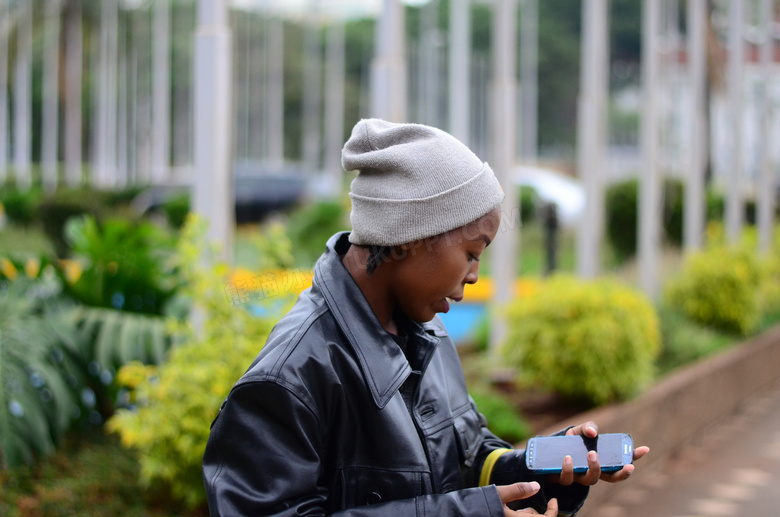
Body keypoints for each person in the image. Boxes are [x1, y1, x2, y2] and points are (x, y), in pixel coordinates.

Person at [202, 119, 649, 516]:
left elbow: (471, 459)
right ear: (412, 234)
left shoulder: (428, 331)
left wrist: (540, 475)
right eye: (472, 253)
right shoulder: (287, 380)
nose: (475, 276)